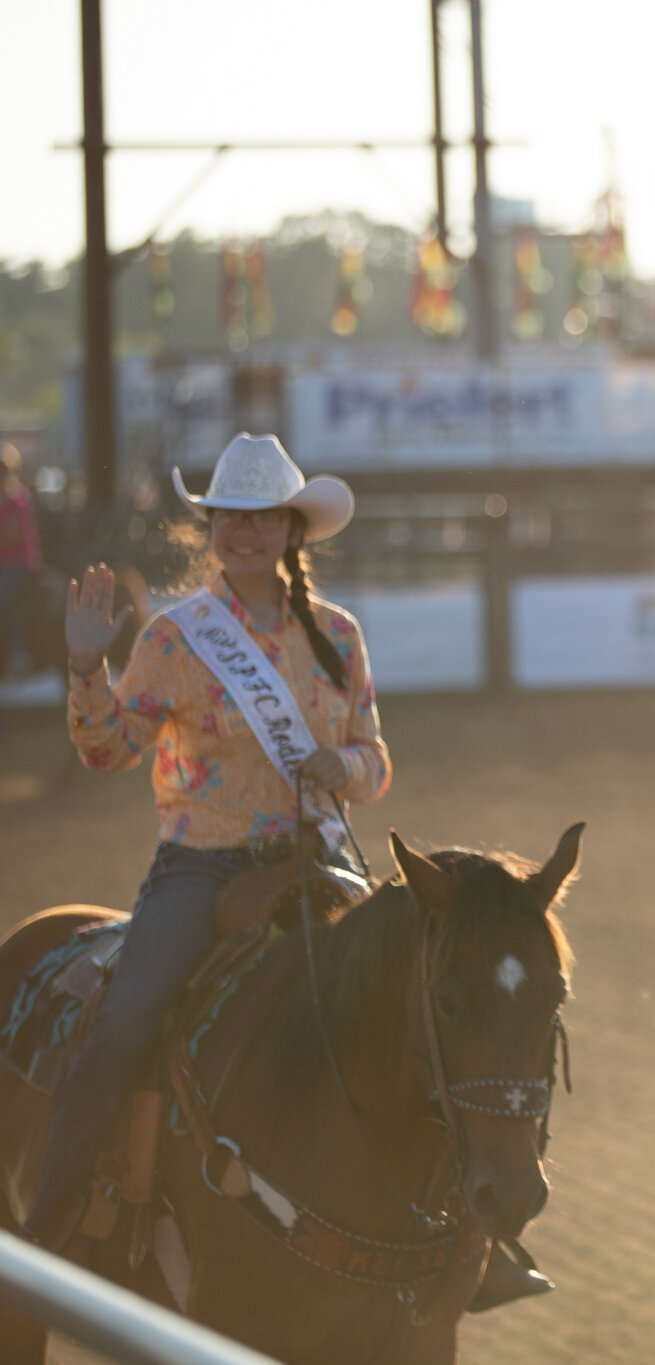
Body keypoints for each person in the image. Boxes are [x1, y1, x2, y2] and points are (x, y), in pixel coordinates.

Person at [21, 432, 388, 1242]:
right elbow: (109, 749)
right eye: (230, 516)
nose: (245, 531)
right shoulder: (175, 637)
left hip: (318, 860)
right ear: (211, 528)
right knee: (126, 1019)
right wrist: (85, 668)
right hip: (202, 872)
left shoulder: (340, 636)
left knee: (406, 996)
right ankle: (47, 1228)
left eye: (263, 516)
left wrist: (346, 763)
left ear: (292, 530)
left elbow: (375, 758)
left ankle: (450, 1225)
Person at [0, 441, 41, 677]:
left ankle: (19, 653)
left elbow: (12, 536)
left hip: (18, 564)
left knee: (3, 596)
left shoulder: (18, 499)